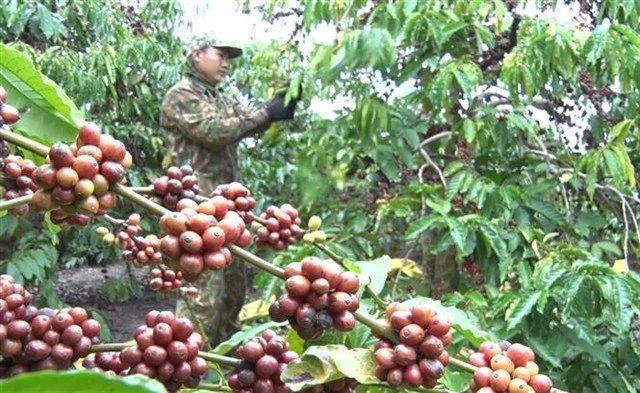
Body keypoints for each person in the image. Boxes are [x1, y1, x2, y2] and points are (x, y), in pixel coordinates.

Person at [160, 36, 300, 345]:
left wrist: (276, 107)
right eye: (220, 55)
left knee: (233, 288)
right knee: (203, 290)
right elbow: (216, 132)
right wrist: (267, 112)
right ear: (197, 54)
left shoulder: (218, 97)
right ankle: (186, 358)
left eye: (228, 57)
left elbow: (241, 122)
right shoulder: (181, 95)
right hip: (195, 204)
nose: (226, 63)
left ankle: (226, 358)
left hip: (224, 206)